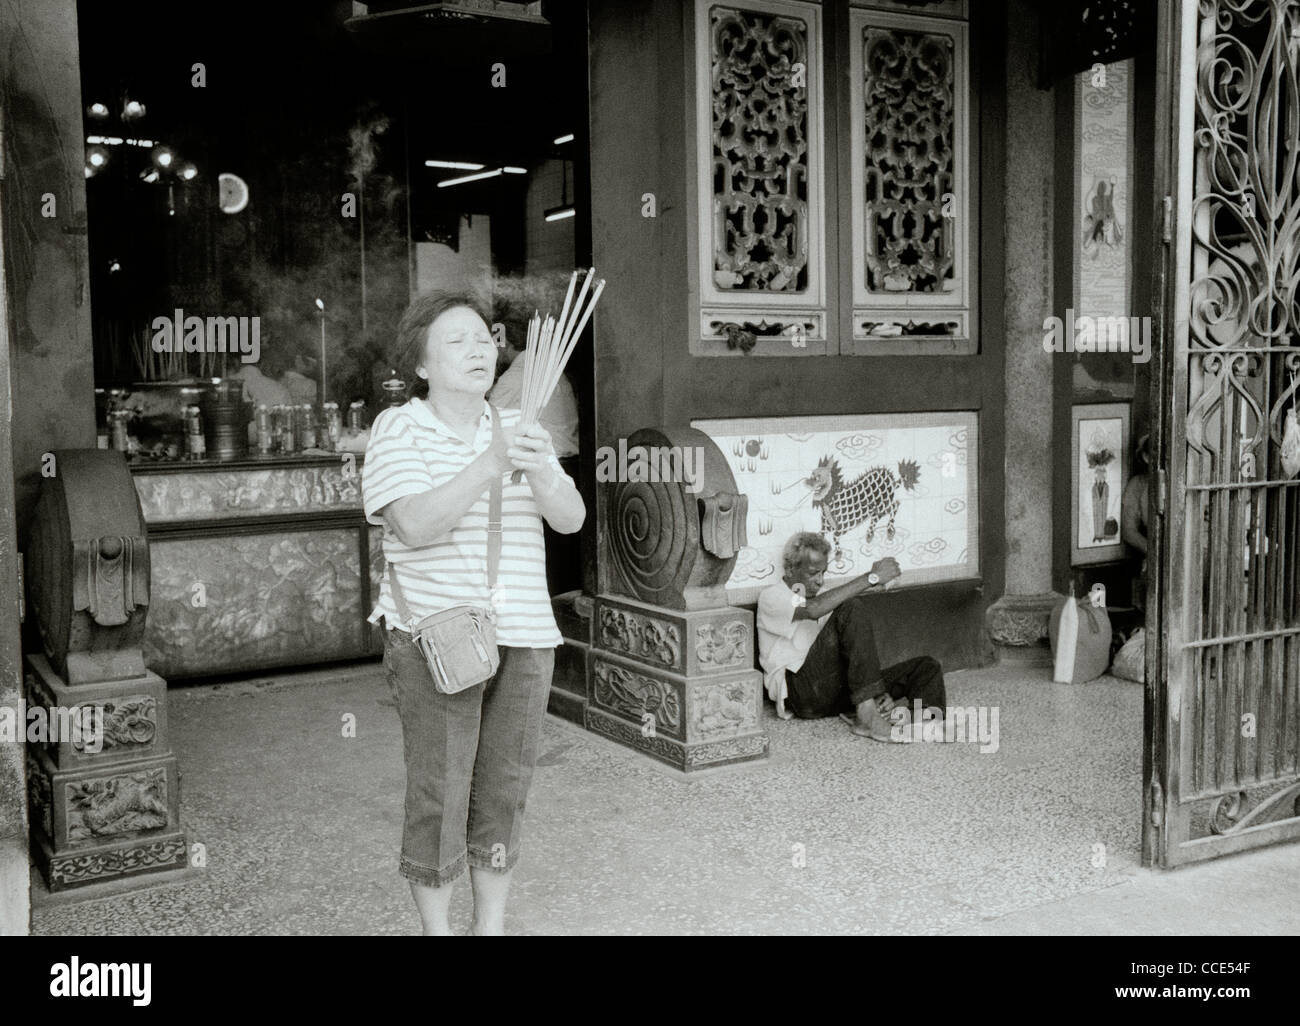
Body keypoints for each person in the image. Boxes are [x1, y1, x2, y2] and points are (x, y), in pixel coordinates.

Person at [362, 290, 585, 936]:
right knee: (439, 795)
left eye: (484, 339)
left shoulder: (520, 427)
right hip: (436, 638)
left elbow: (570, 520)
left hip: (524, 636)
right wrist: (489, 465)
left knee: (504, 794)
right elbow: (415, 523)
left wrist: (539, 469)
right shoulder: (398, 428)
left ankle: (488, 930)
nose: (479, 350)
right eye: (456, 341)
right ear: (423, 365)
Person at [757, 532, 946, 742]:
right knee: (851, 607)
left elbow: (852, 653)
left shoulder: (825, 595)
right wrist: (871, 577)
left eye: (823, 572)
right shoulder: (773, 596)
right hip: (801, 694)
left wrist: (876, 692)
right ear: (791, 568)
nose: (819, 581)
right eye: (813, 573)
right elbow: (812, 610)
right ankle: (867, 718)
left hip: (837, 691)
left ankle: (923, 721)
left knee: (926, 667)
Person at [489, 329, 580, 458]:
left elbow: (487, 422)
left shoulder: (515, 375)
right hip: (569, 451)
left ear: (506, 344)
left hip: (549, 456)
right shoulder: (545, 365)